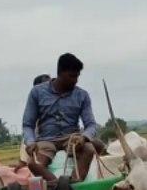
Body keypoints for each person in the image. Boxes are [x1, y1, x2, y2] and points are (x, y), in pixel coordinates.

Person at [22, 53, 104, 183]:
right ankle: (58, 184)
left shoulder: (82, 95)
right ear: (60, 73)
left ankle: (76, 181)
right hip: (46, 140)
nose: (75, 80)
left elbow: (91, 125)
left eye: (77, 76)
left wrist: (83, 137)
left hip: (71, 138)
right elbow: (27, 125)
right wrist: (31, 142)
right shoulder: (36, 93)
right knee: (33, 163)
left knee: (89, 149)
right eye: (72, 76)